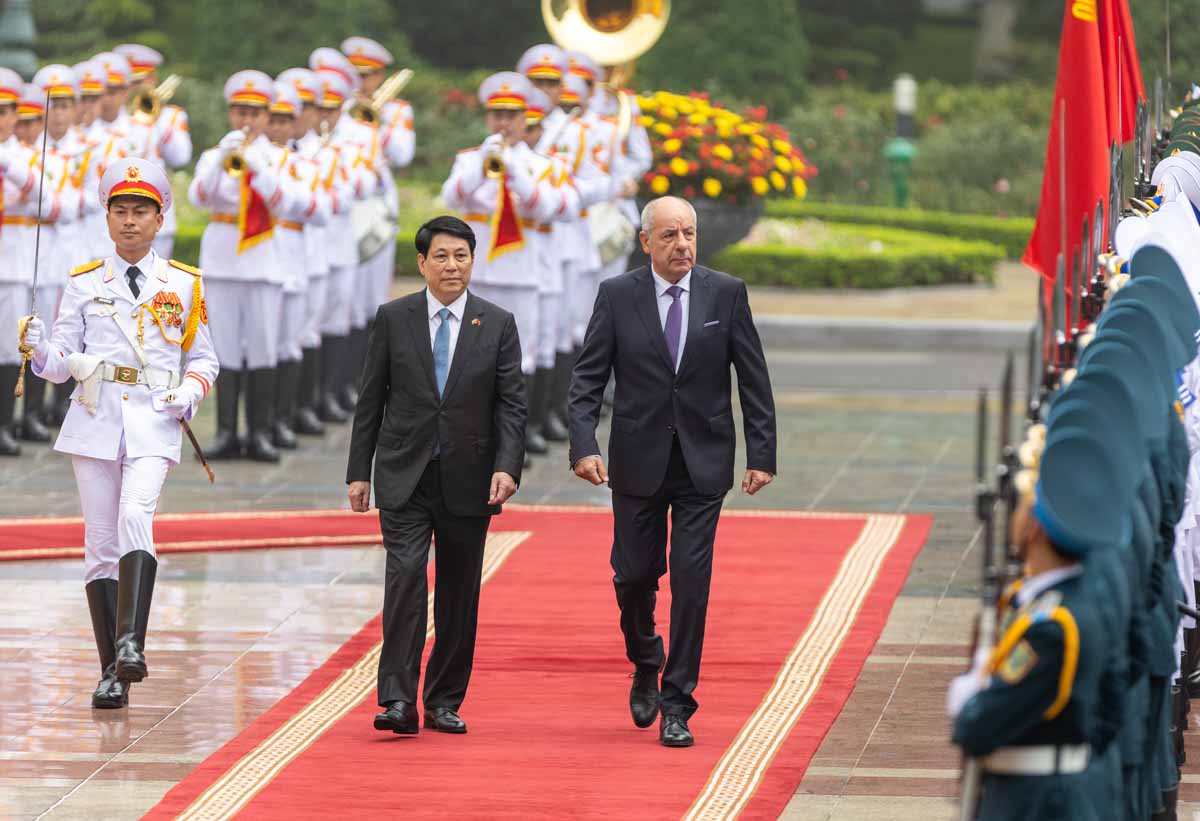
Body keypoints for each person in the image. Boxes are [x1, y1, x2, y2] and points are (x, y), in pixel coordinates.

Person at [567, 195, 777, 747]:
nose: (682, 244)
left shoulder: (726, 293)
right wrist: (584, 445)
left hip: (703, 463)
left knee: (691, 581)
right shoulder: (617, 296)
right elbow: (587, 381)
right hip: (637, 460)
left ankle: (677, 702)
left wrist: (762, 455)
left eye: (688, 234)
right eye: (669, 236)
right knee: (635, 575)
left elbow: (753, 379)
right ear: (646, 243)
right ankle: (645, 656)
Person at [19, 157, 218, 709]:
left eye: (141, 211)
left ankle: (132, 641)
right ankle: (111, 669)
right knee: (100, 546)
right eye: (120, 210)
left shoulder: (182, 282)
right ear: (107, 217)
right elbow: (60, 363)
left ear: (159, 219)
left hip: (154, 419)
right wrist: (39, 348)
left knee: (136, 515)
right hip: (95, 417)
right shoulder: (84, 283)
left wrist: (190, 392)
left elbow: (204, 359)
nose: (130, 221)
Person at [346, 215, 526, 736]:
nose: (452, 266)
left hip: (470, 478)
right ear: (422, 263)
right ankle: (397, 699)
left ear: (473, 261)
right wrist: (360, 473)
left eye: (461, 256)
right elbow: (370, 400)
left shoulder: (496, 322)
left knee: (458, 591)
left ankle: (444, 699)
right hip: (405, 473)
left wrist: (507, 467)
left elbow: (512, 406)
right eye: (441, 257)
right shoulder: (394, 317)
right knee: (404, 580)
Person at [441, 71, 561, 459]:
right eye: (496, 114)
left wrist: (514, 170)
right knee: (468, 357)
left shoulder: (541, 165)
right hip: (476, 275)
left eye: (511, 114)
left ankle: (511, 442)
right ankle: (467, 437)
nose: (503, 122)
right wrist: (484, 163)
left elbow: (544, 207)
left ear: (526, 118)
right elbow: (453, 197)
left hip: (521, 273)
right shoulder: (468, 158)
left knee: (518, 361)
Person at [188, 70, 290, 462]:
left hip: (263, 261)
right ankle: (227, 431)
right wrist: (221, 163)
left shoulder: (280, 157)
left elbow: (285, 202)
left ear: (267, 116)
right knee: (224, 350)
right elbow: (199, 196)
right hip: (222, 260)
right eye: (239, 111)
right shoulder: (214, 155)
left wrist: (255, 167)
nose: (246, 119)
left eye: (254, 111)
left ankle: (259, 432)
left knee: (262, 348)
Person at [114, 44, 193, 259]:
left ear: (152, 79)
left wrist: (156, 120)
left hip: (157, 215)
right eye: (130, 83)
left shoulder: (170, 116)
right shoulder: (115, 118)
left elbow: (180, 157)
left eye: (139, 81)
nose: (135, 88)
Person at [0, 68, 43, 455]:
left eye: (4, 111)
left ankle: (3, 424)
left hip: (10, 260)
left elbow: (38, 192)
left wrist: (4, 161)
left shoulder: (23, 154)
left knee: (6, 348)